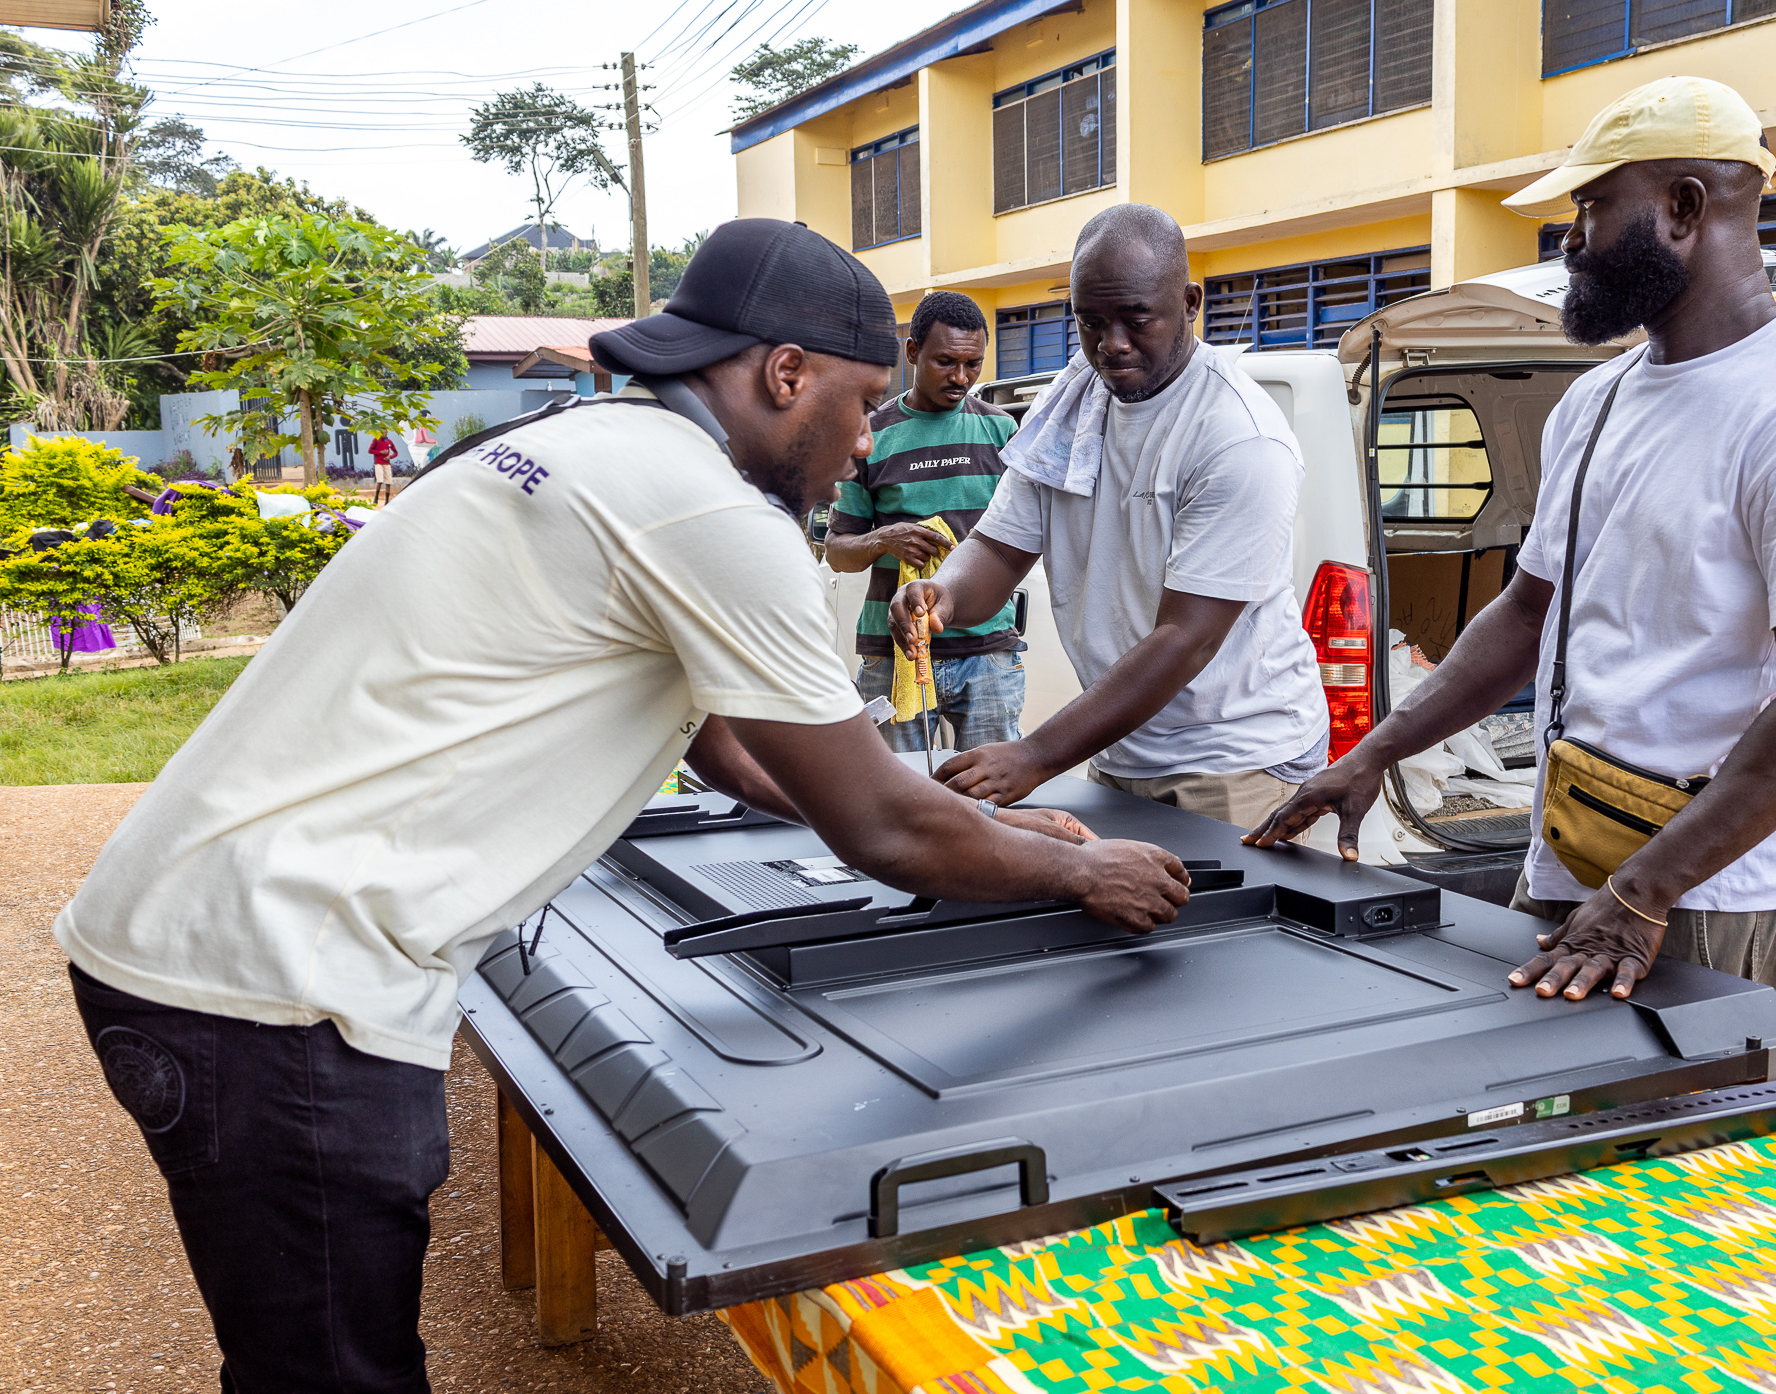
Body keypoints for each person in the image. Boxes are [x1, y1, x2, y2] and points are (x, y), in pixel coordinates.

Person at [54, 218, 1190, 1394]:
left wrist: (1003, 831)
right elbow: (881, 829)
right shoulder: (707, 513)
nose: (862, 445)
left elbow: (745, 759)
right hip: (277, 986)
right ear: (782, 372)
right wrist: (1077, 872)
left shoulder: (584, 443)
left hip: (200, 933)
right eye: (859, 402)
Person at [1247, 76, 1776, 1047]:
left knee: (1702, 1180)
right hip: (1575, 864)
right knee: (1560, 1154)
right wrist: (1371, 755)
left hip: (1720, 899)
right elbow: (1523, 614)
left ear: (1681, 206)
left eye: (1593, 207)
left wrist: (1642, 892)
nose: (1570, 238)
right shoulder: (1600, 402)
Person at [891, 203, 1327, 829]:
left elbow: (1188, 637)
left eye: (1135, 318)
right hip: (1123, 746)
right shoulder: (1075, 398)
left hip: (1236, 762)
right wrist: (943, 595)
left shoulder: (1238, 436)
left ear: (1191, 301)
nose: (1110, 344)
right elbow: (1002, 545)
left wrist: (1037, 754)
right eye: (1090, 322)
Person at [826, 290, 1025, 751]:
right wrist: (883, 539)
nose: (961, 377)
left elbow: (1023, 535)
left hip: (988, 650)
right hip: (894, 651)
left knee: (994, 800)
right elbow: (838, 551)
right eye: (945, 362)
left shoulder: (1003, 432)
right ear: (912, 352)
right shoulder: (870, 435)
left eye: (973, 364)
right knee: (895, 801)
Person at [368, 429, 398, 504]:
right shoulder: (376, 440)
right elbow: (370, 451)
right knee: (380, 480)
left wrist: (390, 457)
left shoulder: (389, 442)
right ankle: (376, 497)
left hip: (386, 463)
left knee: (388, 482)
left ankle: (387, 500)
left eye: (386, 432)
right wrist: (380, 452)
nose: (385, 434)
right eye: (383, 433)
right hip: (378, 463)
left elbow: (395, 452)